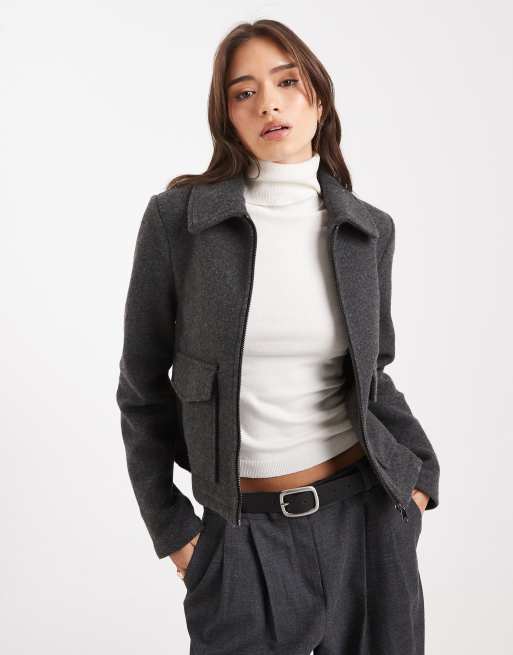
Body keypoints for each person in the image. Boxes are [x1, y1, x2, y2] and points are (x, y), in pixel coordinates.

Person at [116, 18, 440, 655]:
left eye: (287, 82)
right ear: (227, 118)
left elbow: (374, 375)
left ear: (318, 99)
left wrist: (420, 474)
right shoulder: (179, 223)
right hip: (241, 538)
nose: (268, 103)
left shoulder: (368, 231)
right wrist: (174, 531)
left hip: (368, 525)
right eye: (244, 92)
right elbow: (141, 389)